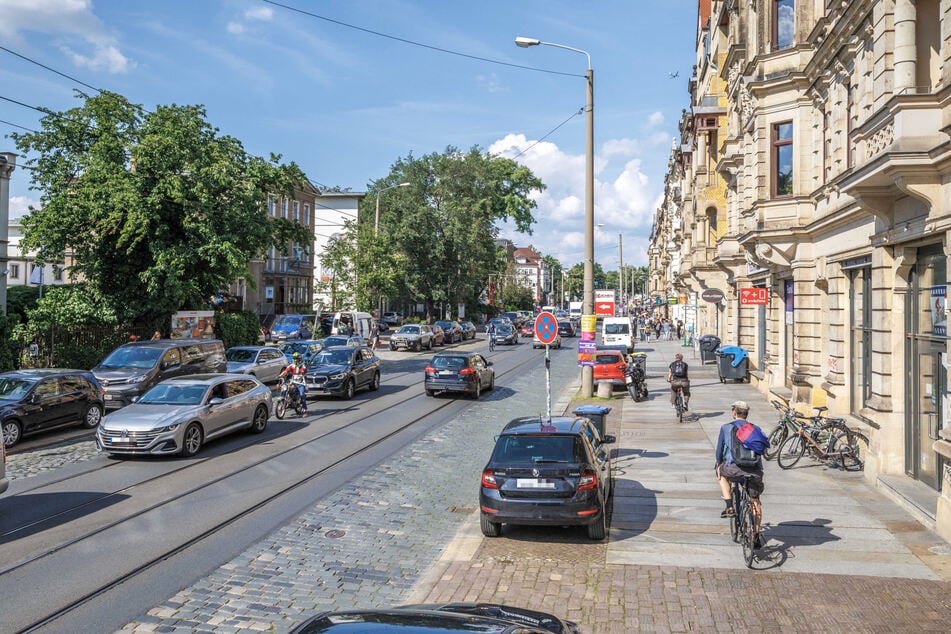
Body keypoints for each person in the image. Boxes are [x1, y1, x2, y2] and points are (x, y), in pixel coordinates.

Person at [715, 400, 767, 549]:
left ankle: (729, 505)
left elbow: (719, 451)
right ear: (746, 414)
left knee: (721, 474)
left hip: (733, 469)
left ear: (734, 412)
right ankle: (756, 535)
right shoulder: (755, 428)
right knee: (755, 501)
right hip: (754, 471)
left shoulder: (726, 428)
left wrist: (718, 464)